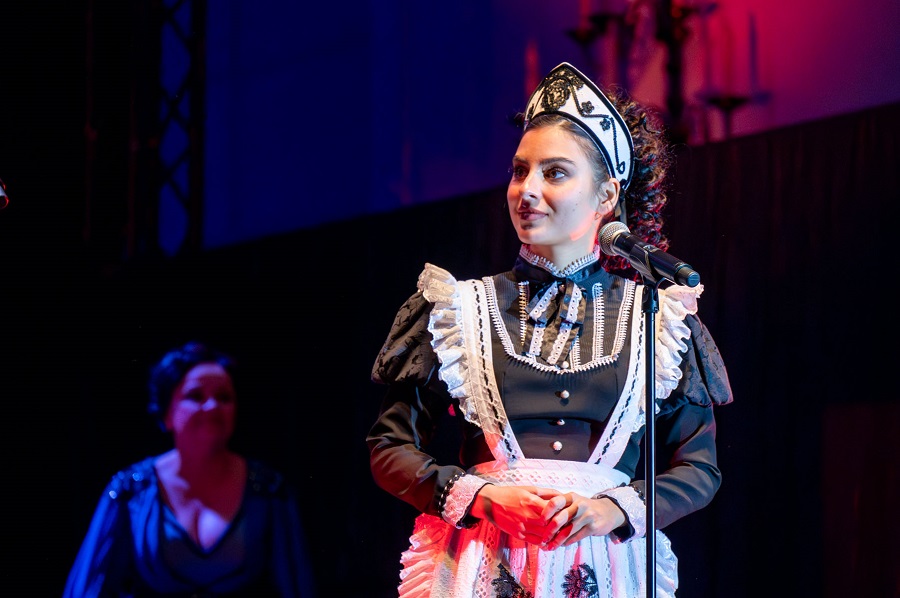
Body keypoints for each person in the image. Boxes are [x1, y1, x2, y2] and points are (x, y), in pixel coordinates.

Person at [366, 62, 733, 597]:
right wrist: (484, 497)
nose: (527, 190)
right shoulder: (456, 309)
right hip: (485, 562)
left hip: (605, 567)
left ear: (606, 196)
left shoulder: (658, 318)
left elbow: (699, 468)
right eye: (520, 171)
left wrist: (614, 509)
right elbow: (389, 448)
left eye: (555, 173)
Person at [64, 341, 316, 597]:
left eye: (224, 397)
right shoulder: (131, 491)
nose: (213, 406)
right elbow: (89, 588)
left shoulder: (268, 491)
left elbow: (297, 587)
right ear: (167, 413)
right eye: (195, 396)